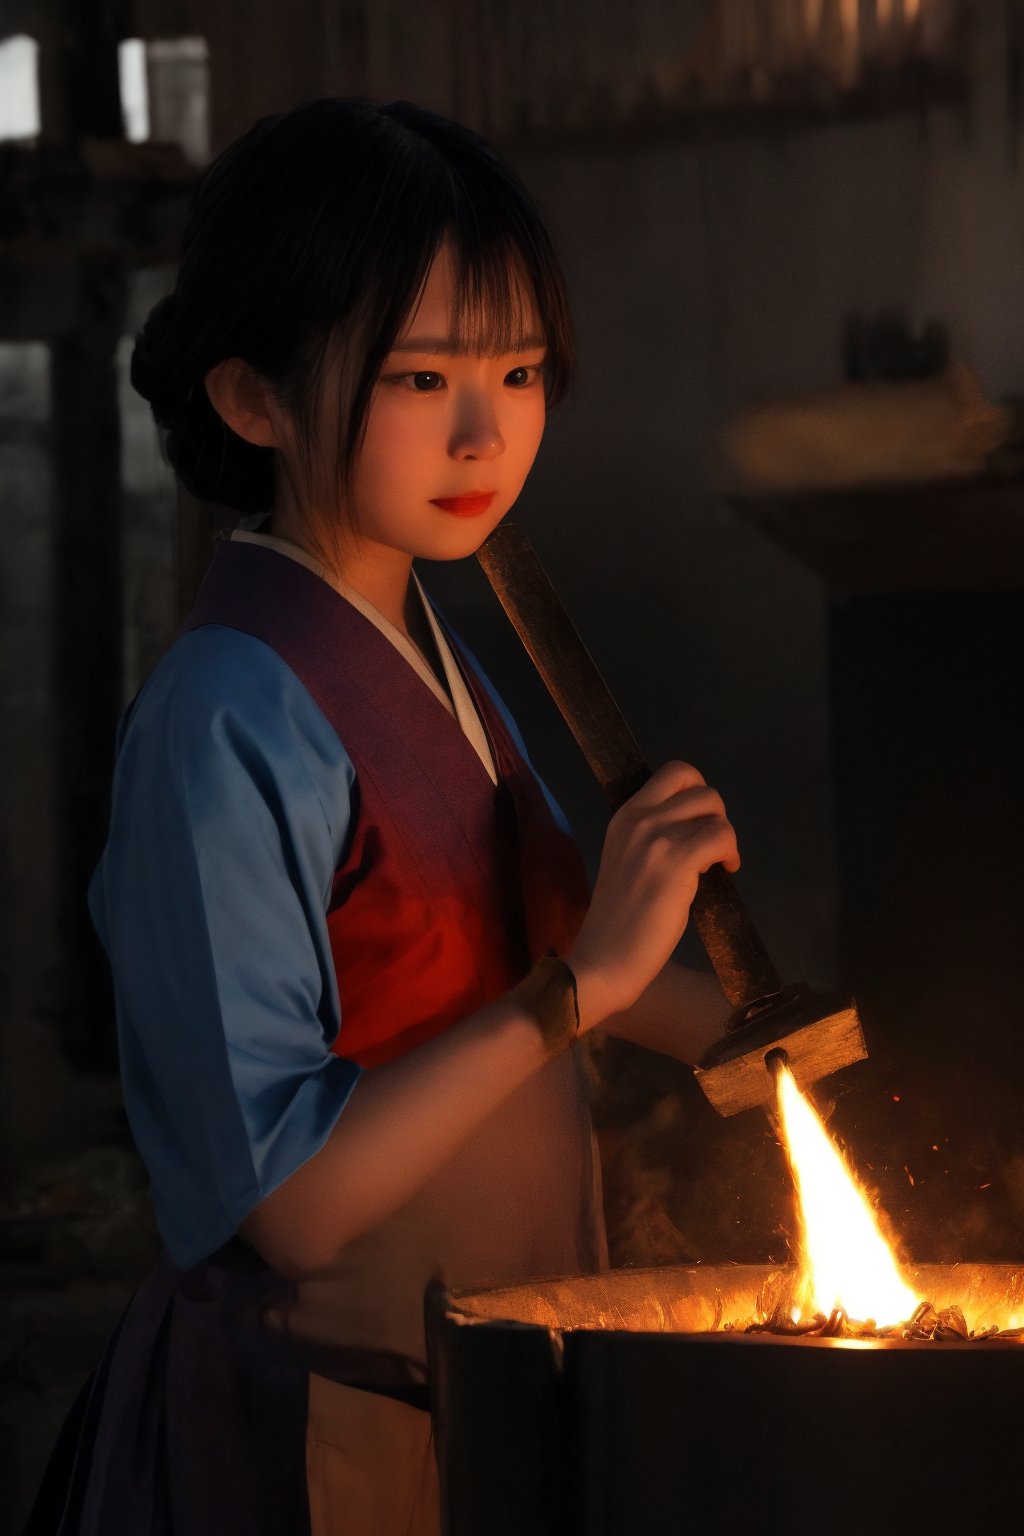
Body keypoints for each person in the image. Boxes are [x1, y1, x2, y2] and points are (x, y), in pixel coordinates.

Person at [25, 98, 739, 1536]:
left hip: (486, 1392)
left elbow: (519, 939)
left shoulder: (441, 645)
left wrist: (750, 1045)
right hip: (312, 1432)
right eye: (421, 379)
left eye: (521, 367)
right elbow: (287, 1204)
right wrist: (585, 988)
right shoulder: (223, 719)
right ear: (255, 399)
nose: (488, 431)